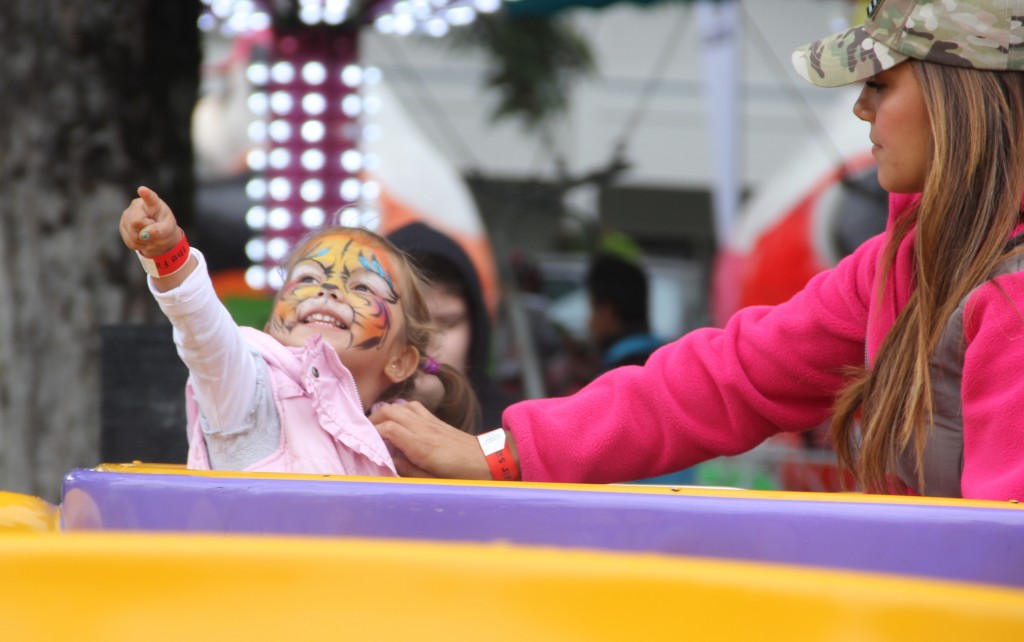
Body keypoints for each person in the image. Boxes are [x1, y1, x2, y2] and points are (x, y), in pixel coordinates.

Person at [371, 0, 1024, 501]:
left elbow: (1000, 554)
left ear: (958, 96)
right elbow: (727, 379)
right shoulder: (906, 261)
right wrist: (504, 453)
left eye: (881, 84)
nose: (860, 109)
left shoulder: (1006, 288)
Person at [119, 186, 478, 475]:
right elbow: (202, 331)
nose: (329, 290)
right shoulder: (249, 389)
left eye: (364, 287)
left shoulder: (400, 443)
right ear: (272, 323)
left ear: (400, 360)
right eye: (307, 278)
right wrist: (168, 256)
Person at [387, 222, 519, 433]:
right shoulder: (332, 436)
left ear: (477, 329)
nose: (426, 339)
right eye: (410, 322)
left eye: (447, 321)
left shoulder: (515, 435)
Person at [585, 253, 665, 371]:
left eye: (593, 310)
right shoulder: (659, 356)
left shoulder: (617, 370)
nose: (589, 322)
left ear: (608, 312)